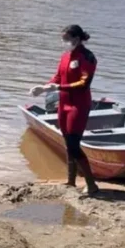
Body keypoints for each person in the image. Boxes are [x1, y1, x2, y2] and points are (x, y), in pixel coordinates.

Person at [30, 24, 100, 196]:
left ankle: (91, 185)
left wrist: (57, 87)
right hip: (64, 104)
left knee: (74, 145)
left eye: (66, 39)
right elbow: (58, 77)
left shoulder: (88, 57)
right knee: (68, 141)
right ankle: (70, 181)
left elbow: (84, 84)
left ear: (76, 38)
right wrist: (43, 87)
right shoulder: (65, 57)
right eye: (63, 39)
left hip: (79, 105)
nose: (64, 42)